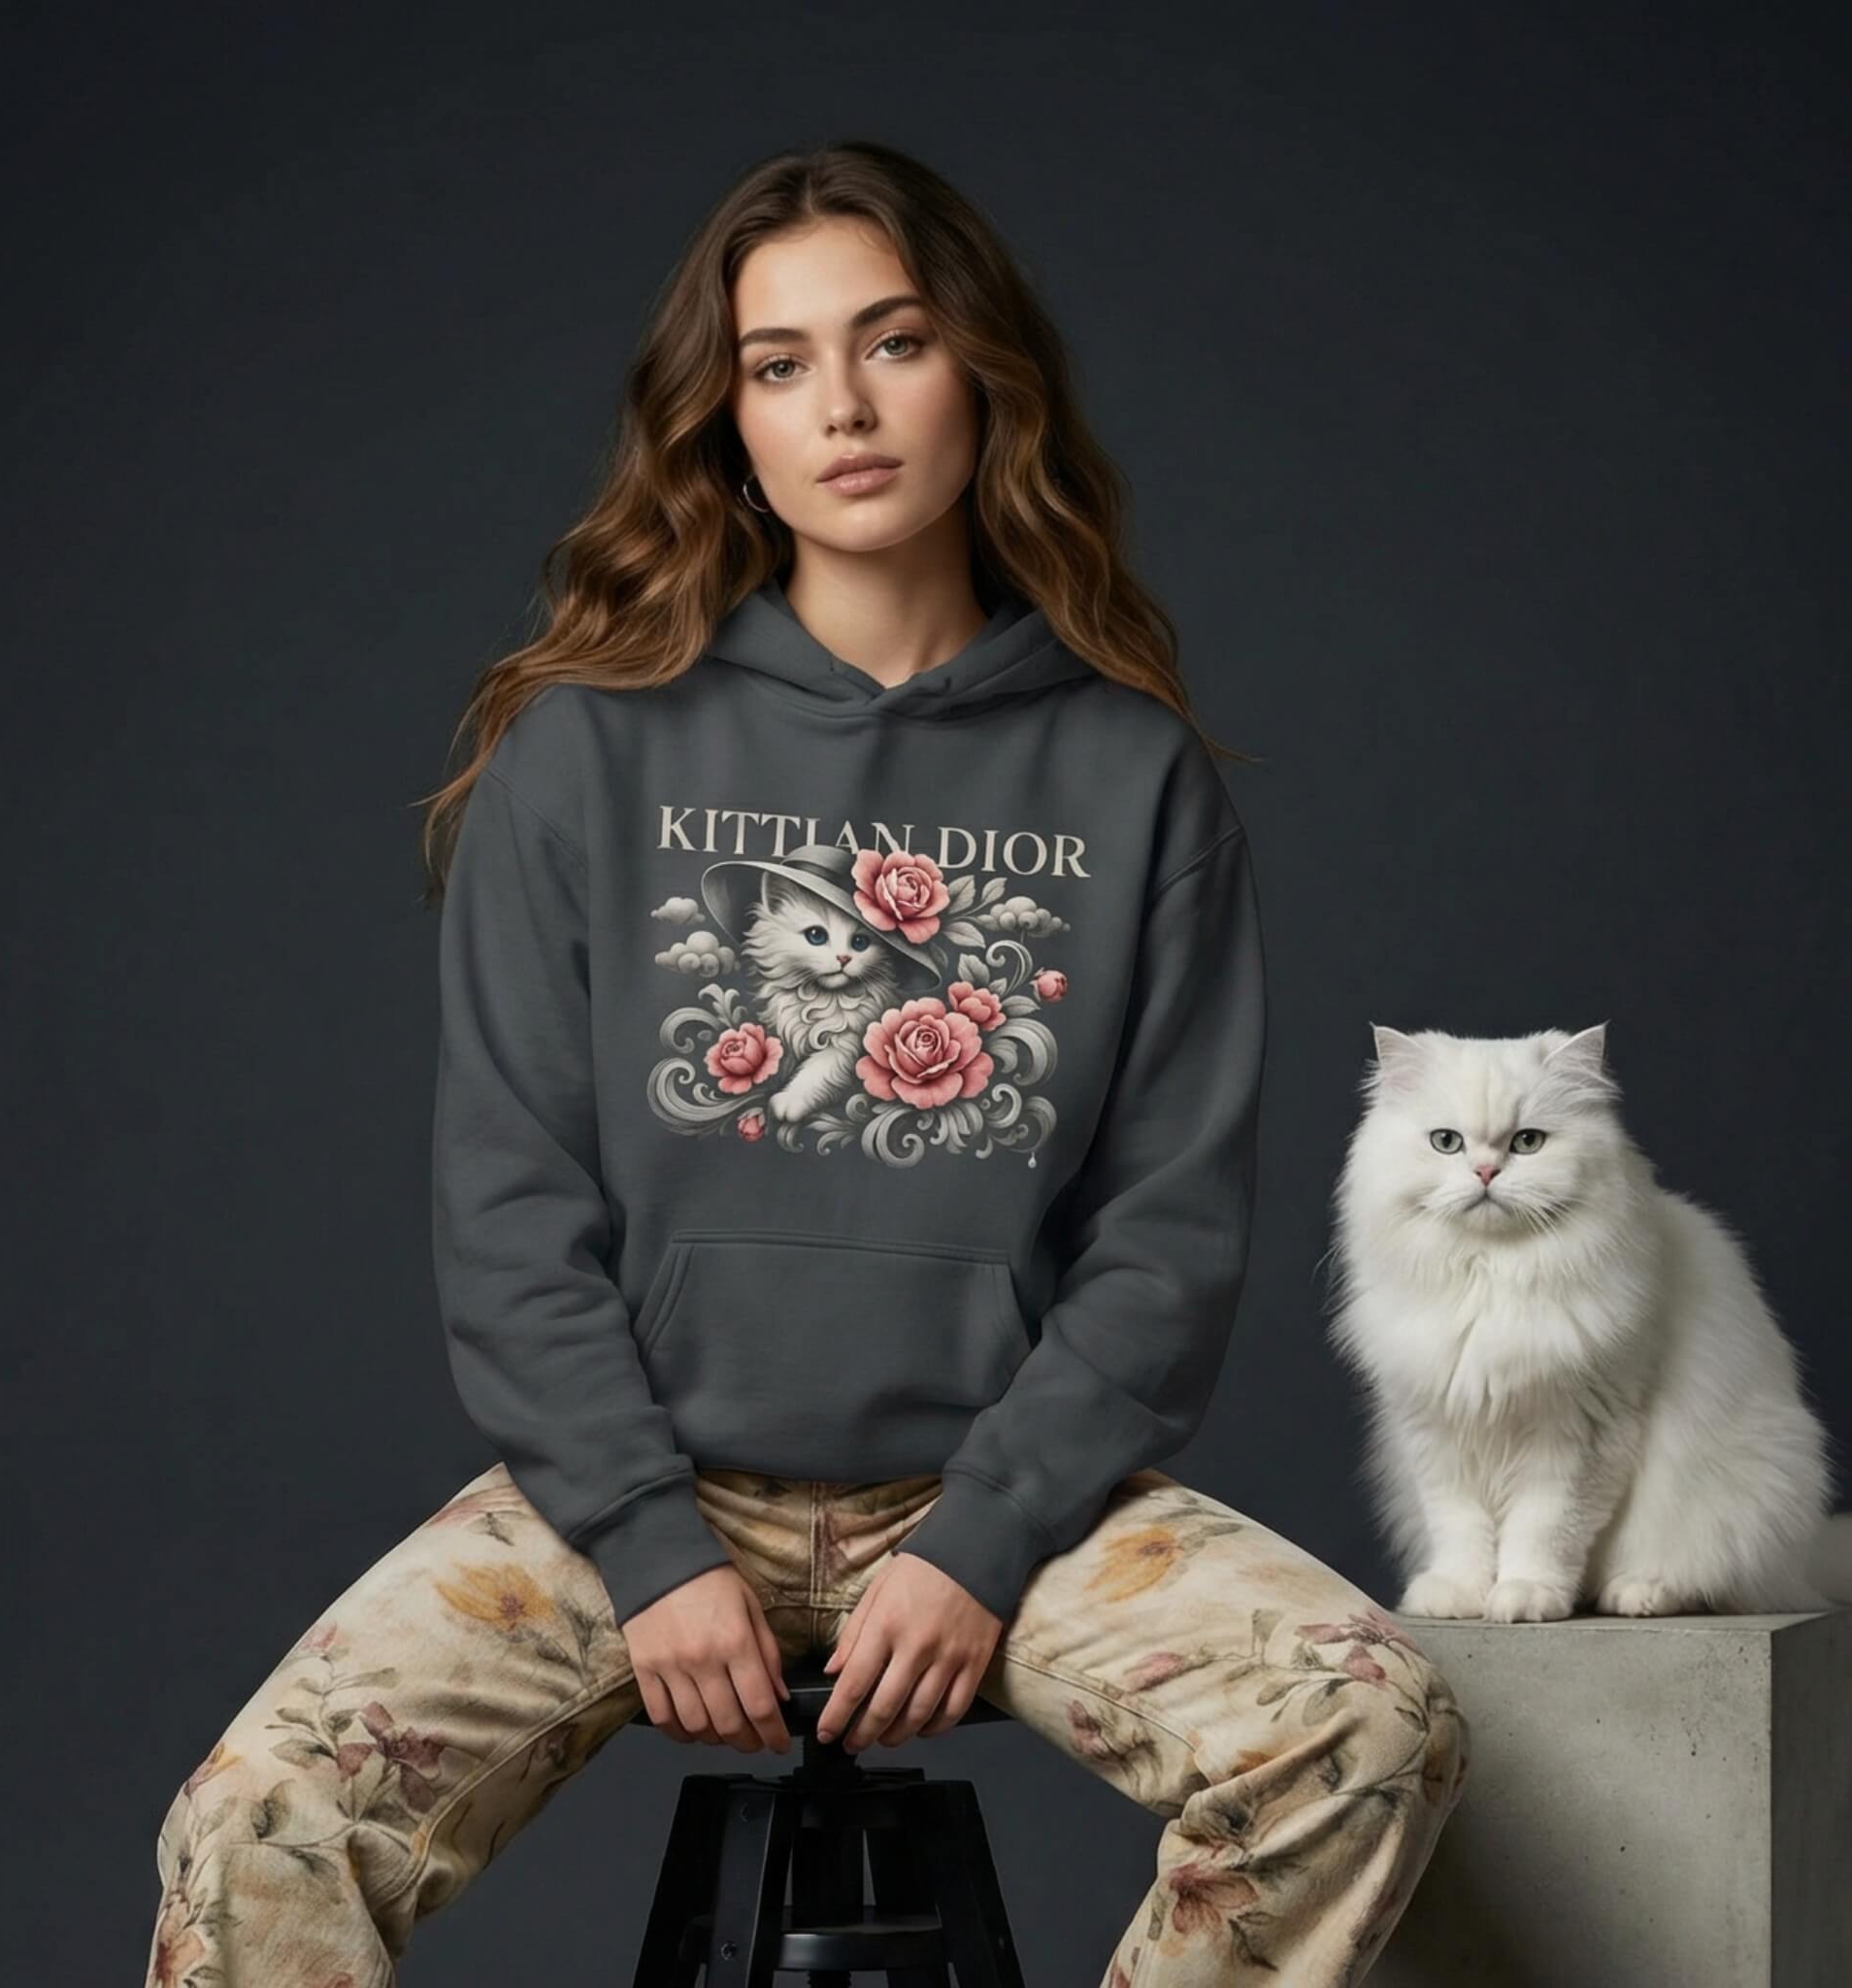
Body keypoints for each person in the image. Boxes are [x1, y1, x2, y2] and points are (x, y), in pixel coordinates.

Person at [142, 138, 1469, 1988]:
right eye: (778, 365)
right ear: (727, 424)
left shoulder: (1129, 776)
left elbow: (1166, 1240)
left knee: (1365, 1734)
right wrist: (649, 1541)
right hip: (639, 1491)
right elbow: (511, 1205)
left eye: (893, 342)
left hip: (1000, 1499)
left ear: (982, 372)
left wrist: (990, 1535)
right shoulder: (583, 755)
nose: (841, 406)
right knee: (257, 1825)